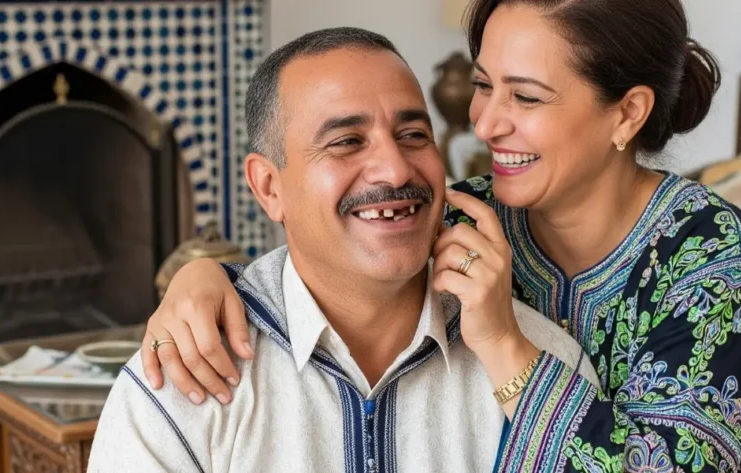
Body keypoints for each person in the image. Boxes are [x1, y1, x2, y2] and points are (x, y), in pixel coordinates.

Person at [142, 0, 741, 471]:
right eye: (484, 86)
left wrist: (503, 344)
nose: (484, 123)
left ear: (626, 112)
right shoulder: (470, 214)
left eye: (527, 98)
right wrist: (203, 278)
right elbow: (331, 253)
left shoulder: (712, 258)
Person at [87, 27, 598, 473]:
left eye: (413, 134)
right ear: (268, 187)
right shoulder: (183, 377)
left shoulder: (543, 363)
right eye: (346, 141)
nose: (396, 170)